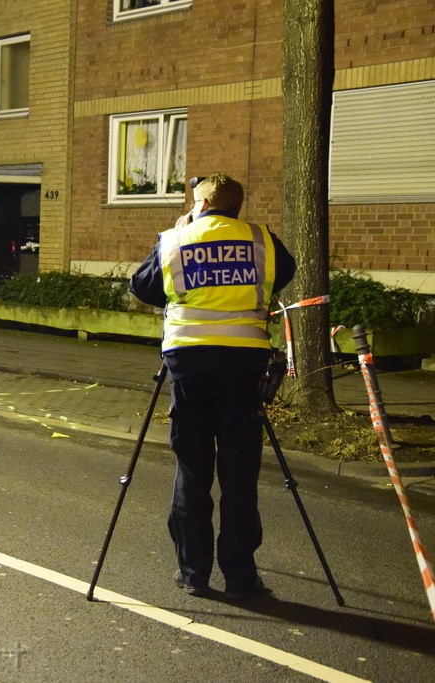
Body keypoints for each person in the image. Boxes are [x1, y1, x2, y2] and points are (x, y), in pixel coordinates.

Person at [129, 173, 296, 600]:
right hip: (244, 368)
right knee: (241, 474)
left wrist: (183, 234)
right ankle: (241, 577)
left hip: (188, 366)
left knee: (192, 468)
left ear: (200, 204)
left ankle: (193, 573)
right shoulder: (261, 240)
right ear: (236, 206)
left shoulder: (175, 239)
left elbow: (143, 286)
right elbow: (285, 273)